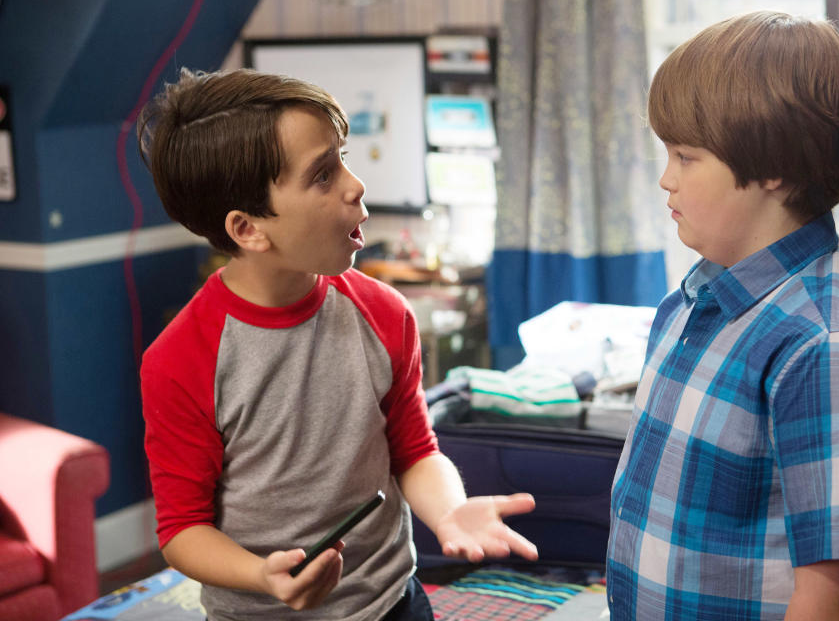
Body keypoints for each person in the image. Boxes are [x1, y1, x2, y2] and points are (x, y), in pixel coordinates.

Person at [136, 67, 538, 621]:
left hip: (392, 602)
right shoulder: (181, 360)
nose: (355, 183)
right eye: (323, 175)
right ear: (248, 229)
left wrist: (449, 512)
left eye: (342, 157)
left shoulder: (382, 313)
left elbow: (415, 451)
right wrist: (262, 576)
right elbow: (182, 530)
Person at [607, 11, 839, 620]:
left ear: (773, 170)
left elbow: (837, 599)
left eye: (685, 156)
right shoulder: (688, 306)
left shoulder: (832, 348)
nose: (664, 179)